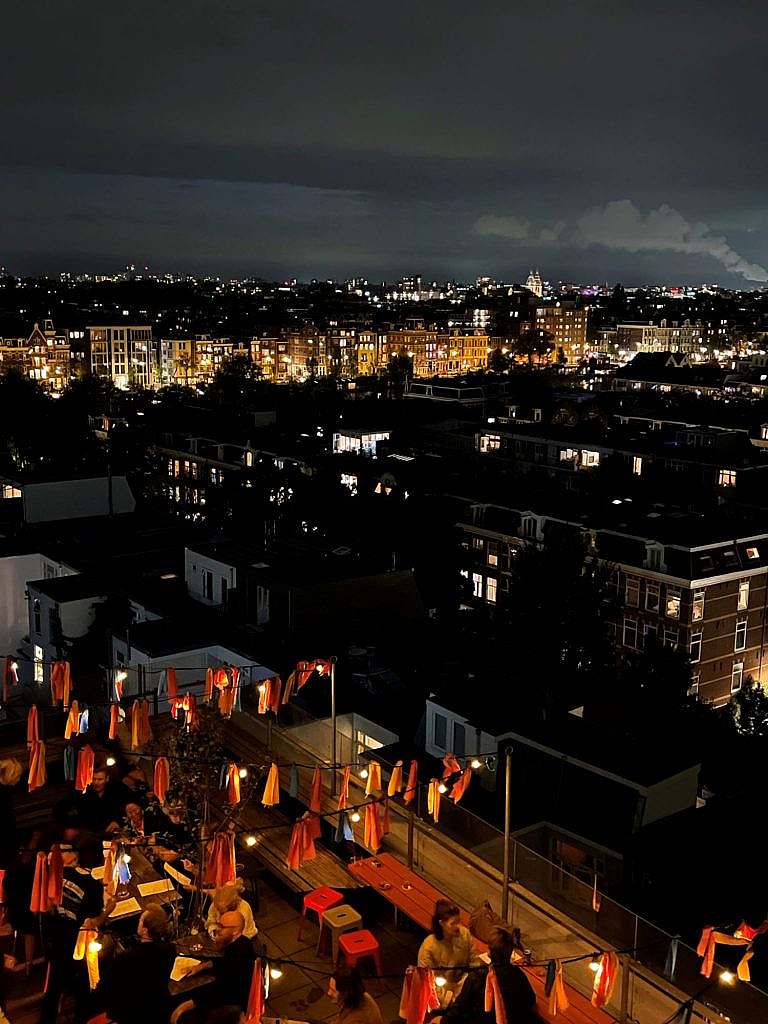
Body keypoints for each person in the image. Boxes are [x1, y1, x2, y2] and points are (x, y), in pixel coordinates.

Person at [40, 843, 116, 1024]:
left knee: (53, 990)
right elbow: (92, 923)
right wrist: (109, 910)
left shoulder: (51, 878)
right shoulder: (90, 884)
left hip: (55, 944)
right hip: (78, 948)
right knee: (86, 989)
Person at [438, 928, 539, 1024]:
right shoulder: (518, 975)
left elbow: (459, 1008)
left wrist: (441, 1021)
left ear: (489, 953)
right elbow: (531, 1000)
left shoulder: (476, 977)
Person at [97, 905, 176, 1024]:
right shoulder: (170, 949)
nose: (138, 921)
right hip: (157, 1007)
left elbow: (107, 987)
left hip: (132, 1012)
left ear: (145, 930)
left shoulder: (126, 957)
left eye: (140, 920)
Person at [174, 910, 256, 1019]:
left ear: (235, 931)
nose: (218, 930)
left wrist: (185, 1006)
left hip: (231, 1006)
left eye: (222, 927)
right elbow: (223, 963)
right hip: (226, 993)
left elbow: (219, 991)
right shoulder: (241, 942)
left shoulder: (239, 954)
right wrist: (200, 967)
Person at [417, 899, 478, 1003]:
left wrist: (468, 983)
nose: (458, 926)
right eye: (453, 923)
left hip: (464, 988)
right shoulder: (429, 947)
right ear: (441, 923)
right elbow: (427, 982)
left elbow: (474, 962)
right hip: (441, 996)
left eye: (458, 921)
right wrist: (451, 999)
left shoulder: (464, 934)